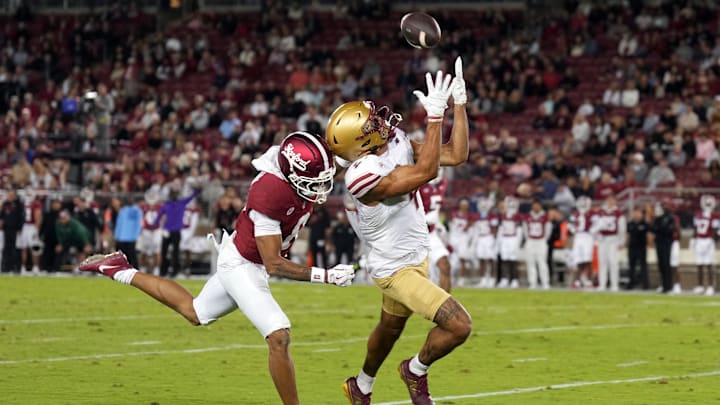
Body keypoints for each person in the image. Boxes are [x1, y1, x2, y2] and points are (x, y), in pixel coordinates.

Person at [79, 131, 355, 405]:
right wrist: (326, 275)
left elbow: (344, 153)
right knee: (279, 336)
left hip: (245, 256)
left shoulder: (306, 166)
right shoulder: (270, 193)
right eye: (313, 182)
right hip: (243, 263)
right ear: (292, 173)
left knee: (196, 312)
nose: (320, 188)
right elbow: (272, 263)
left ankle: (119, 269)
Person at [328, 61, 471, 405]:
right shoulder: (362, 175)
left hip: (414, 253)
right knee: (459, 326)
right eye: (371, 124)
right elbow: (427, 171)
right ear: (358, 144)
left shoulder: (393, 143)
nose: (380, 122)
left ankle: (361, 386)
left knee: (390, 329)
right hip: (393, 268)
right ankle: (415, 370)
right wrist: (435, 117)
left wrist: (459, 105)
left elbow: (456, 154)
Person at [418, 168, 453, 292]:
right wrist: (424, 218)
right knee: (421, 275)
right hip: (414, 235)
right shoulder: (417, 183)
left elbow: (437, 209)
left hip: (431, 233)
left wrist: (438, 222)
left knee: (445, 266)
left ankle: (446, 306)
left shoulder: (443, 183)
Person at [154, 186, 200, 278]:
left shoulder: (176, 203)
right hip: (170, 231)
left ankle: (171, 271)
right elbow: (159, 216)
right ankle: (165, 271)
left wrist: (155, 224)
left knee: (173, 252)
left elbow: (159, 217)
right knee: (167, 252)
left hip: (172, 231)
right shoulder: (177, 203)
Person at [592, 195, 625, 291]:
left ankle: (614, 284)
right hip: (602, 239)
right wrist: (596, 237)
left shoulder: (618, 213)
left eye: (612, 200)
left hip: (613, 239)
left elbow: (622, 228)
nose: (610, 202)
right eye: (608, 200)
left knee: (613, 262)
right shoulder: (600, 212)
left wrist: (621, 241)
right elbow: (594, 226)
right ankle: (602, 284)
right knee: (602, 262)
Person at [691, 195, 719, 296]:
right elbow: (695, 228)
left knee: (709, 264)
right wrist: (693, 239)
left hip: (708, 240)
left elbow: (716, 230)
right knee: (699, 264)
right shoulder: (698, 214)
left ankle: (711, 286)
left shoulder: (714, 215)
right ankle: (700, 285)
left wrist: (714, 240)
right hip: (699, 239)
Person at [447, 198, 477, 286]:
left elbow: (472, 229)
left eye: (466, 205)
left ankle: (462, 278)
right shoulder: (454, 214)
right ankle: (451, 277)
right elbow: (451, 226)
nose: (464, 206)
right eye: (463, 205)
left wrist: (469, 241)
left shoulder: (470, 216)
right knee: (452, 259)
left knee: (462, 259)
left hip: (463, 238)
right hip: (454, 238)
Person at [523, 200, 552, 289]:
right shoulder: (527, 216)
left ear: (540, 206)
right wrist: (529, 239)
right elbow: (525, 230)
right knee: (530, 262)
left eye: (537, 205)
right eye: (534, 205)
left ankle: (545, 282)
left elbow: (548, 230)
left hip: (541, 241)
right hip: (531, 240)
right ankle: (532, 282)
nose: (536, 207)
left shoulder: (545, 217)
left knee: (542, 262)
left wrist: (543, 239)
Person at [651, 201, 678, 294]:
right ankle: (663, 285)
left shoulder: (670, 218)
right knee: (661, 264)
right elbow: (652, 228)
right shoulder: (657, 219)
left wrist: (659, 229)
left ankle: (668, 285)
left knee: (667, 264)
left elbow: (669, 230)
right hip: (659, 242)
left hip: (667, 243)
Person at [568, 196, 595, 288]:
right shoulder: (575, 214)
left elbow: (599, 223)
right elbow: (570, 225)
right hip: (578, 236)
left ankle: (588, 280)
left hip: (588, 236)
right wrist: (574, 230)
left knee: (587, 259)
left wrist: (593, 230)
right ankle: (578, 280)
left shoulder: (592, 214)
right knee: (578, 259)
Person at [472, 197, 499, 288]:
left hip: (489, 237)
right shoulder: (478, 216)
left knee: (490, 259)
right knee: (482, 259)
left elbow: (495, 228)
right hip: (480, 238)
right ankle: (483, 278)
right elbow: (476, 228)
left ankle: (492, 279)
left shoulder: (492, 215)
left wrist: (494, 240)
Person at [497, 196, 523, 288]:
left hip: (513, 238)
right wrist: (499, 242)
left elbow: (519, 230)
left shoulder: (517, 216)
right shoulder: (503, 216)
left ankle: (514, 279)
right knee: (505, 259)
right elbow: (501, 229)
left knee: (513, 260)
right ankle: (505, 278)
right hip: (505, 238)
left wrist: (518, 243)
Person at [16, 188, 42, 274]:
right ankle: (25, 267)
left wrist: (36, 229)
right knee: (26, 248)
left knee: (33, 248)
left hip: (30, 226)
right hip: (26, 226)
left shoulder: (34, 204)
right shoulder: (24, 204)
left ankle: (34, 267)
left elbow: (37, 217)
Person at [137, 190, 163, 275]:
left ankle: (156, 270)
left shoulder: (160, 206)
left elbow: (164, 217)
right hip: (146, 230)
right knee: (143, 251)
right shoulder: (142, 206)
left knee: (157, 251)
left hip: (157, 230)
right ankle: (142, 269)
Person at [114, 197, 143, 269]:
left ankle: (135, 270)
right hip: (121, 238)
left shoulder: (136, 211)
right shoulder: (123, 210)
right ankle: (124, 270)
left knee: (132, 255)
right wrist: (117, 236)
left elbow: (138, 224)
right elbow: (119, 224)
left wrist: (136, 236)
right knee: (123, 256)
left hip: (130, 238)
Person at [626, 208, 650, 290]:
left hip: (642, 247)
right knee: (631, 266)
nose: (636, 214)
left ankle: (645, 285)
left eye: (638, 213)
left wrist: (648, 244)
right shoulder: (630, 224)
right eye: (635, 213)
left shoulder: (645, 224)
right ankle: (631, 284)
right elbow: (628, 235)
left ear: (641, 214)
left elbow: (648, 234)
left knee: (643, 265)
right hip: (632, 247)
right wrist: (626, 244)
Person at [1, 190, 23, 273]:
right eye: (9, 195)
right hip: (6, 230)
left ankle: (16, 267)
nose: (10, 196)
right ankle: (6, 267)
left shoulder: (18, 204)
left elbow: (21, 217)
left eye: (12, 195)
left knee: (15, 249)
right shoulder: (5, 204)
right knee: (6, 248)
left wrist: (20, 228)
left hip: (15, 230)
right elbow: (2, 216)